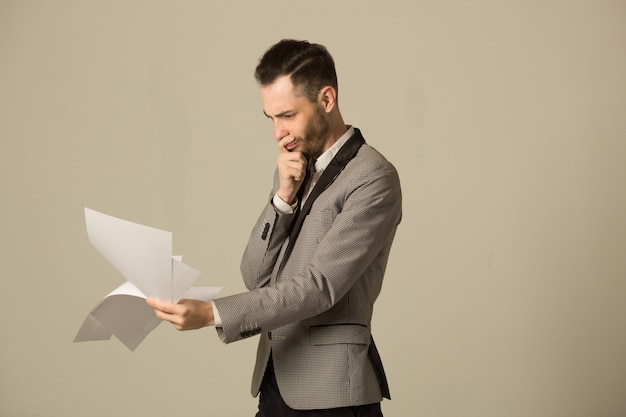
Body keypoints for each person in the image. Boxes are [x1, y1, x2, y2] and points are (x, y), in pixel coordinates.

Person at [147, 39, 402, 416]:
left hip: (333, 396)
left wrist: (211, 314)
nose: (277, 133)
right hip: (276, 384)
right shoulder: (294, 168)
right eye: (271, 118)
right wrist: (282, 199)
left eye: (287, 115)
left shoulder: (373, 178)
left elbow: (320, 287)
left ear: (326, 99)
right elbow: (254, 274)